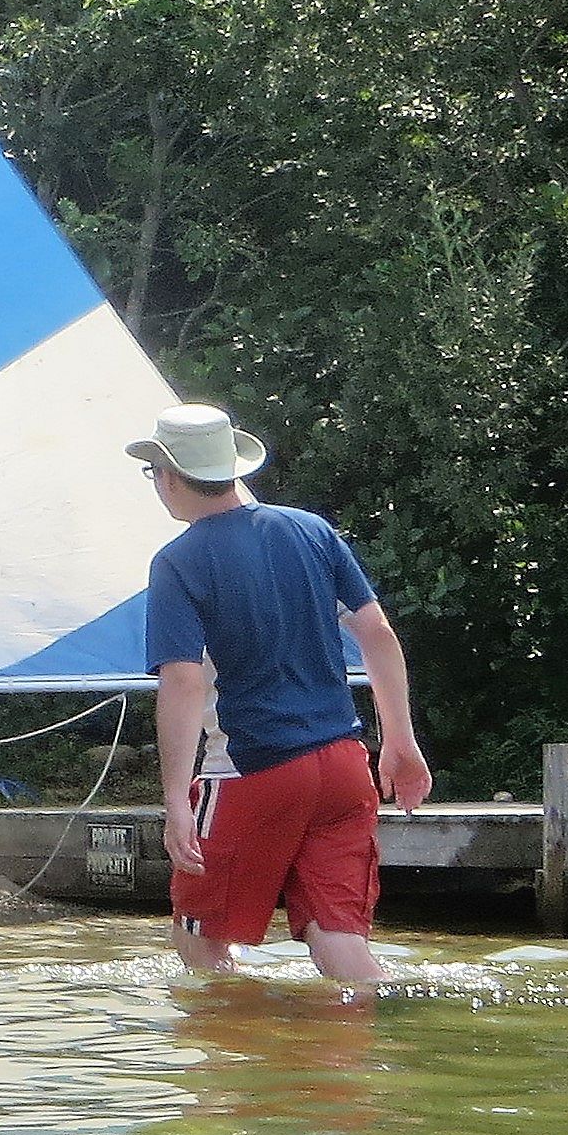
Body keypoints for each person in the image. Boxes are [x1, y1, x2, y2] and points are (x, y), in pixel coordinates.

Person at [132, 404, 432, 986]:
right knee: (336, 937)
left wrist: (175, 801)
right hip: (344, 766)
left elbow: (183, 682)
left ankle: (245, 1045)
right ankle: (384, 1030)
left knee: (201, 941)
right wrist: (400, 740)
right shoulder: (311, 530)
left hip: (251, 768)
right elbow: (376, 632)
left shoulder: (178, 562)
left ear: (168, 476)